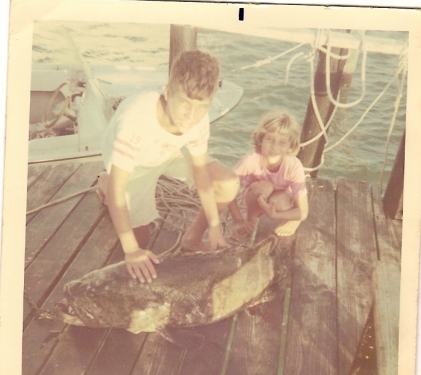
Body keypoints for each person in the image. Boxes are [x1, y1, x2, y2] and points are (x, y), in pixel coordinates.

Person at [98, 50, 239, 283]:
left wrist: (214, 226)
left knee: (227, 183)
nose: (191, 116)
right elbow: (118, 191)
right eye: (184, 103)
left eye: (201, 106)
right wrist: (132, 250)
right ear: (167, 91)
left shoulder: (197, 120)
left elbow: (200, 171)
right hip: (135, 163)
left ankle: (192, 239)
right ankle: (105, 181)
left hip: (169, 152)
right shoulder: (135, 121)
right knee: (139, 241)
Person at [228, 110, 309, 240]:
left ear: (291, 146)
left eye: (282, 142)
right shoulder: (251, 160)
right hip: (255, 197)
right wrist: (238, 220)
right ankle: (251, 220)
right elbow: (227, 187)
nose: (274, 146)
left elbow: (303, 212)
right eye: (270, 139)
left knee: (281, 202)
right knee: (265, 187)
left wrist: (275, 215)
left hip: (280, 200)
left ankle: (292, 221)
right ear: (261, 140)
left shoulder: (294, 166)